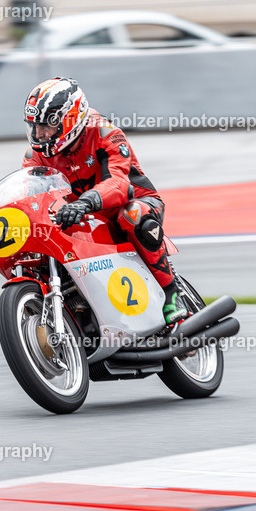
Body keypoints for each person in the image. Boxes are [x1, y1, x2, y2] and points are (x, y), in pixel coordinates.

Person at [21, 77, 190, 325]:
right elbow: (33, 199)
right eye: (34, 126)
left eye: (46, 126)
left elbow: (120, 185)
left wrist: (83, 203)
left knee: (132, 215)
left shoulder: (104, 133)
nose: (39, 134)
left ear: (69, 120)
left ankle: (172, 293)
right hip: (84, 219)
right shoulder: (34, 156)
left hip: (134, 204)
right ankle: (74, 309)